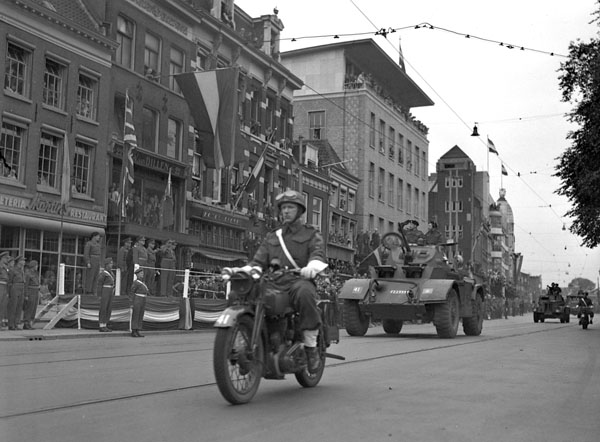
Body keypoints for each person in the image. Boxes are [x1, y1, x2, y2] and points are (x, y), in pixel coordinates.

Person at [244, 190, 328, 374]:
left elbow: (318, 253)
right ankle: (254, 339)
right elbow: (258, 261)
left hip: (298, 280)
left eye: (290, 207)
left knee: (305, 294)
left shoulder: (311, 234)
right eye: (283, 208)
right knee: (246, 293)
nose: (286, 211)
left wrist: (312, 267)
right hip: (274, 282)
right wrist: (249, 270)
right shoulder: (273, 236)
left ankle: (311, 348)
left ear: (299, 211)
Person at [96, 257, 116, 332]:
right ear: (106, 265)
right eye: (110, 263)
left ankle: (105, 324)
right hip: (105, 290)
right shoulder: (103, 274)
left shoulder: (111, 273)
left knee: (108, 308)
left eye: (112, 263)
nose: (112, 265)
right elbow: (99, 284)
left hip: (110, 291)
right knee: (103, 308)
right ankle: (101, 325)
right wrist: (99, 295)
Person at [7, 256, 26, 330]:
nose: (24, 262)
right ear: (19, 261)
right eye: (22, 260)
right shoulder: (13, 270)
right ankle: (11, 324)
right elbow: (10, 282)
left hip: (22, 287)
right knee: (13, 306)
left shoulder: (22, 270)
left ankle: (16, 323)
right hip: (15, 286)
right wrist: (9, 292)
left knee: (19, 306)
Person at [130, 264, 148, 337]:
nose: (142, 275)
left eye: (142, 273)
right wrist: (131, 302)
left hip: (143, 299)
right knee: (136, 314)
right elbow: (132, 292)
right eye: (141, 273)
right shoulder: (136, 283)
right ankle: (134, 330)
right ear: (137, 275)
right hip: (137, 299)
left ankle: (138, 329)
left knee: (140, 314)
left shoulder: (142, 282)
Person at [23, 260, 41, 330]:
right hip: (31, 291)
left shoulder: (36, 273)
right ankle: (26, 323)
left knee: (34, 308)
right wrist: (26, 295)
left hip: (36, 291)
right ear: (33, 266)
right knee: (29, 308)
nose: (37, 266)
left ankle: (30, 322)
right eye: (36, 265)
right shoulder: (28, 274)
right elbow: (26, 285)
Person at [0, 251, 10, 330]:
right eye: (6, 258)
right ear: (2, 258)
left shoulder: (6, 267)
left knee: (3, 305)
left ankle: (0, 322)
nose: (7, 259)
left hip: (5, 285)